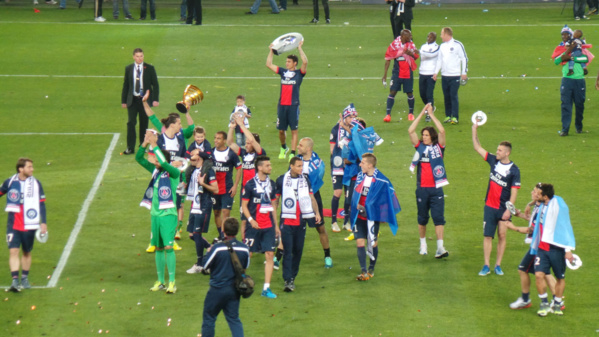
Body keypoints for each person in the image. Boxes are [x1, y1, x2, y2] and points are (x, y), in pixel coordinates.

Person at [472, 123, 520, 276]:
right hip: (490, 206)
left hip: (503, 208)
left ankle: (498, 265)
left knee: (502, 235)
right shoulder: (493, 161)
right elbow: (477, 148)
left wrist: (508, 209)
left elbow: (514, 192)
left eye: (500, 150)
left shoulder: (514, 171)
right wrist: (474, 130)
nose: (496, 152)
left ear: (507, 153)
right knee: (488, 235)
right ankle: (486, 265)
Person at [136, 130, 180, 294]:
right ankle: (161, 281)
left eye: (156, 159)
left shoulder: (174, 173)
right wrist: (145, 143)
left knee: (169, 247)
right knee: (159, 248)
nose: (153, 161)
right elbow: (138, 158)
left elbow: (165, 163)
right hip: (155, 215)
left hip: (168, 215)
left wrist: (155, 143)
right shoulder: (156, 172)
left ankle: (172, 282)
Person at [507, 184, 560, 311]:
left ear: (541, 196)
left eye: (535, 192)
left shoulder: (542, 207)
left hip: (538, 246)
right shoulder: (540, 205)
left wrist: (513, 227)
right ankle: (557, 300)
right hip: (543, 246)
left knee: (524, 269)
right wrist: (522, 212)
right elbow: (533, 220)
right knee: (545, 273)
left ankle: (526, 300)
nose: (532, 192)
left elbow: (532, 228)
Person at [350, 153, 401, 281]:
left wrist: (382, 213)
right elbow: (355, 194)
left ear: (370, 165)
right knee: (360, 241)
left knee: (373, 242)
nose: (360, 164)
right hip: (359, 216)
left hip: (372, 217)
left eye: (363, 162)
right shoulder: (360, 176)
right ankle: (363, 270)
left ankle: (371, 267)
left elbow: (390, 197)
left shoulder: (382, 180)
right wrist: (355, 205)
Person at [274, 157, 321, 292]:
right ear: (291, 166)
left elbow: (311, 197)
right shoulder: (281, 180)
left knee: (298, 251)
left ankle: (292, 277)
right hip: (287, 222)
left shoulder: (305, 180)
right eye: (299, 166)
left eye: (302, 166)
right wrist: (274, 220)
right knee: (288, 251)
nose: (301, 168)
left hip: (301, 221)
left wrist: (316, 212)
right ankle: (288, 279)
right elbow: (276, 200)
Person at [0, 158, 47, 292]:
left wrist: (43, 222)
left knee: (26, 251)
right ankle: (15, 280)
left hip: (30, 224)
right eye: (29, 167)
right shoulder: (10, 182)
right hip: (13, 224)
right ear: (21, 169)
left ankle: (24, 278)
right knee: (13, 251)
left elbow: (41, 203)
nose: (32, 169)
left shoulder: (36, 184)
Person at [408, 104, 448, 258]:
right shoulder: (418, 147)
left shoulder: (439, 148)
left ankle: (440, 247)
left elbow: (442, 131)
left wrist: (431, 115)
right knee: (422, 218)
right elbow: (410, 131)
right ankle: (423, 244)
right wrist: (420, 114)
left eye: (426, 135)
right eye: (423, 135)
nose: (423, 137)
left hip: (436, 188)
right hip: (422, 189)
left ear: (432, 136)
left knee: (439, 219)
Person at [530, 184, 576, 316]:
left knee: (560, 277)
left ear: (545, 196)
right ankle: (544, 303)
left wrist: (568, 249)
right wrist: (529, 204)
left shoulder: (558, 207)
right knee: (539, 275)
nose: (536, 195)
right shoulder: (543, 204)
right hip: (542, 249)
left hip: (556, 249)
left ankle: (557, 303)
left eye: (539, 193)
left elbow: (564, 227)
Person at [201, 217, 249, 337]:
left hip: (217, 289)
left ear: (223, 230)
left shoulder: (218, 248)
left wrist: (208, 251)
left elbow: (205, 265)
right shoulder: (244, 249)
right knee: (234, 319)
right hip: (234, 290)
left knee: (209, 318)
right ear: (237, 231)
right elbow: (245, 267)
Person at [241, 155, 279, 299]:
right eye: (267, 165)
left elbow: (273, 205)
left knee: (270, 255)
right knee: (247, 254)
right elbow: (244, 205)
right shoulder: (250, 185)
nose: (270, 167)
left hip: (268, 226)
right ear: (260, 167)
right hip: (254, 226)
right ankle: (240, 279)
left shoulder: (272, 184)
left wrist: (276, 225)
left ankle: (266, 288)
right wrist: (250, 220)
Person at [266, 41, 308, 161]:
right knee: (281, 131)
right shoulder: (283, 72)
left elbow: (305, 62)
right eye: (286, 61)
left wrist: (299, 48)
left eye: (289, 61)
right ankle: (284, 147)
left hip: (293, 105)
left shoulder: (299, 73)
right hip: (282, 105)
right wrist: (271, 51)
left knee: (294, 130)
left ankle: (292, 153)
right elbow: (269, 64)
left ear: (295, 63)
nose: (287, 63)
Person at [227, 116, 266, 241]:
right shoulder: (244, 154)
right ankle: (246, 242)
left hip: (258, 191)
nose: (246, 145)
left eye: (248, 143)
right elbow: (230, 143)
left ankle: (261, 241)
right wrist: (232, 128)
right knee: (244, 219)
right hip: (245, 192)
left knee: (259, 218)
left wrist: (241, 125)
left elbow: (253, 141)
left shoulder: (260, 154)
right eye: (246, 143)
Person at [297, 137, 333, 269]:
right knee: (291, 227)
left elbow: (316, 183)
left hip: (312, 197)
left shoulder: (317, 165)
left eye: (300, 145)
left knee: (320, 227)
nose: (298, 147)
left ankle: (327, 256)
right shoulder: (296, 160)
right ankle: (279, 256)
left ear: (308, 148)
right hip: (297, 197)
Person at [121, 48, 160, 154]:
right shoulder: (129, 68)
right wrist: (123, 100)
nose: (139, 58)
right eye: (137, 56)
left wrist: (155, 99)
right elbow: (126, 85)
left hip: (145, 101)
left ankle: (143, 146)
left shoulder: (150, 68)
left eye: (141, 56)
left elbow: (155, 84)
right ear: (134, 57)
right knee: (131, 123)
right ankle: (130, 147)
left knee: (144, 123)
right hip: (132, 100)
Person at [185, 152, 218, 274]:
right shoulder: (193, 170)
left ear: (199, 157)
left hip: (203, 205)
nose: (190, 155)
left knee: (197, 233)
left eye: (193, 153)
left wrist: (203, 183)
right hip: (195, 204)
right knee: (192, 235)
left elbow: (216, 188)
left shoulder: (208, 171)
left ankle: (199, 264)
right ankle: (211, 248)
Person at [552, 28, 588, 136]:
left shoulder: (580, 49)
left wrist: (570, 57)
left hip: (579, 80)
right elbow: (557, 61)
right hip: (567, 80)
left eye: (566, 35)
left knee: (579, 104)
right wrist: (567, 51)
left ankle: (579, 126)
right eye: (562, 35)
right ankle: (565, 129)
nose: (564, 37)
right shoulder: (562, 50)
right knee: (566, 104)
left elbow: (584, 59)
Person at [329, 104, 357, 233]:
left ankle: (346, 222)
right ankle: (334, 221)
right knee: (338, 193)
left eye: (354, 116)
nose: (352, 119)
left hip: (350, 166)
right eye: (350, 116)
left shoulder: (355, 130)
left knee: (349, 195)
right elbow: (331, 150)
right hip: (338, 164)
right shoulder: (335, 130)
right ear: (345, 117)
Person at [433, 27, 468, 125]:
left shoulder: (457, 45)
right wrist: (436, 72)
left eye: (441, 34)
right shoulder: (442, 46)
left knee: (453, 95)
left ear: (446, 34)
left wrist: (464, 72)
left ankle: (455, 117)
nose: (440, 36)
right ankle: (448, 115)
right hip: (445, 75)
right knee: (446, 96)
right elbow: (439, 60)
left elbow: (464, 58)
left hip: (455, 75)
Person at [382, 29, 419, 123]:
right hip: (397, 73)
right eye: (409, 36)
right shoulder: (394, 45)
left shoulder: (411, 45)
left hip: (407, 72)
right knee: (392, 92)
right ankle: (388, 115)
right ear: (403, 36)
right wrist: (385, 75)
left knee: (409, 93)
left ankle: (411, 113)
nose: (411, 37)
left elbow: (416, 56)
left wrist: (411, 53)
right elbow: (388, 59)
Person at [212, 131, 242, 238]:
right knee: (216, 213)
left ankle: (223, 236)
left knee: (225, 212)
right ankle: (221, 234)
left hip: (227, 188)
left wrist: (235, 186)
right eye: (215, 138)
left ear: (224, 141)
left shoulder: (231, 154)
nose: (216, 140)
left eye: (219, 138)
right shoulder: (211, 152)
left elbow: (239, 168)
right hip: (214, 189)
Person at [418, 32, 440, 120]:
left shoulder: (437, 47)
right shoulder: (423, 46)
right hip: (422, 72)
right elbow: (422, 57)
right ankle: (430, 107)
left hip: (431, 73)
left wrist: (420, 52)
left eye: (431, 37)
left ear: (435, 39)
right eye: (428, 37)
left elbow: (431, 55)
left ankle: (429, 114)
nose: (429, 38)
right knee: (422, 93)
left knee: (429, 94)